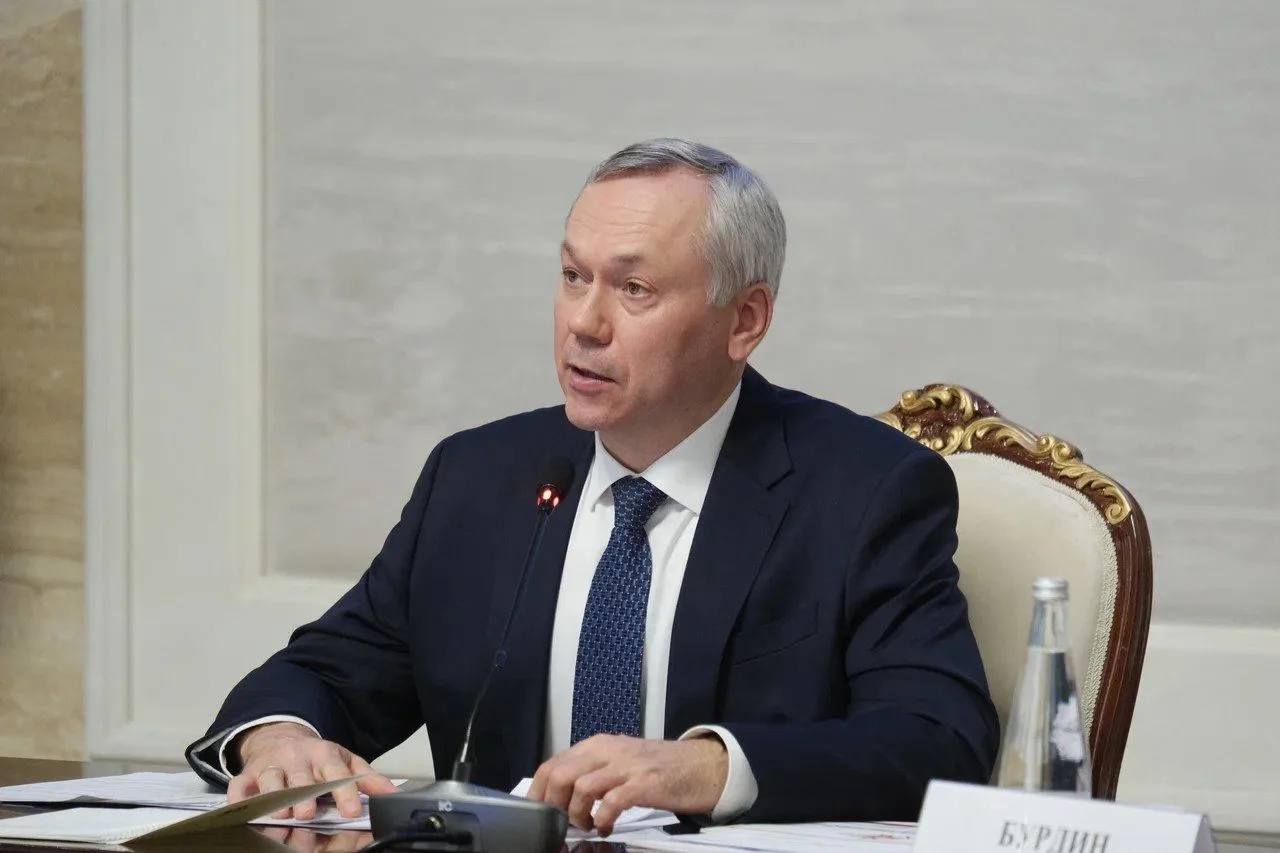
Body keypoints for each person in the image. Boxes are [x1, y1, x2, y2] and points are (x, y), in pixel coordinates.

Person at [186, 138, 999, 835]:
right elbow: (326, 672)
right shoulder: (479, 478)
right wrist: (281, 738)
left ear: (745, 319)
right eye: (574, 276)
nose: (584, 321)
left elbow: (939, 739)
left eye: (633, 289)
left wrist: (710, 766)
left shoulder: (864, 490)